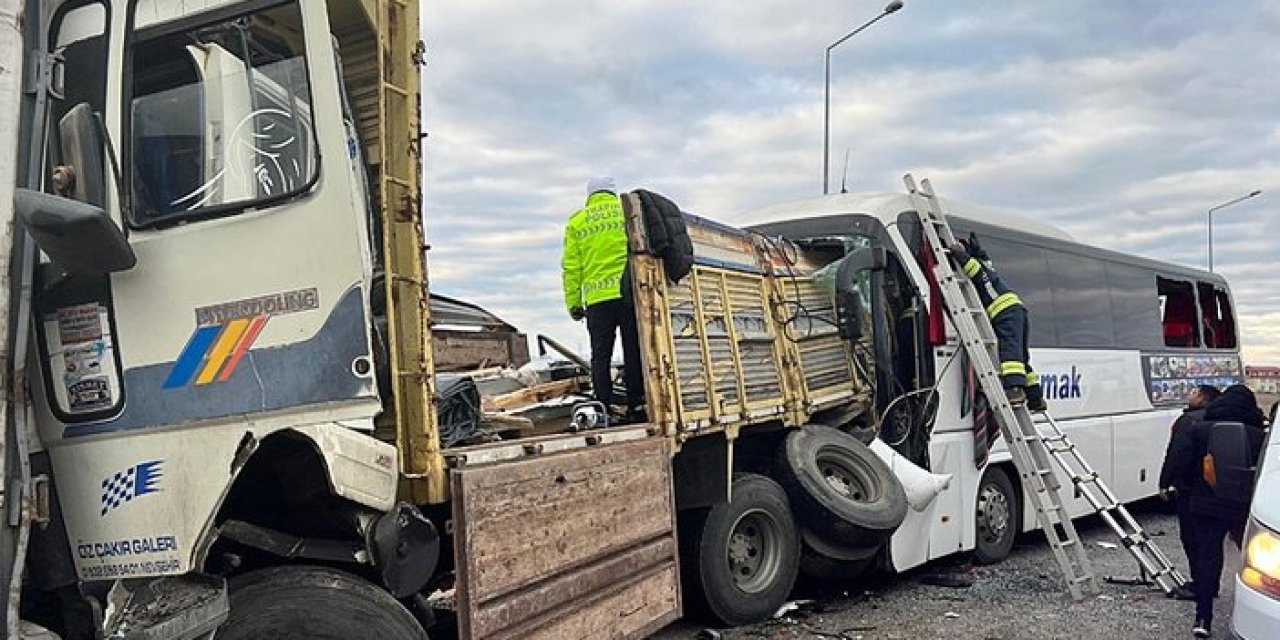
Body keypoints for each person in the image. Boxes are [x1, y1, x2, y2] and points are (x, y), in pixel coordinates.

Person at [1158, 384, 1266, 638]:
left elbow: (1182, 459)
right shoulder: (1259, 436)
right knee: (1254, 558)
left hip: (1205, 504)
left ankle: (1203, 618)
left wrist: (1179, 486)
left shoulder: (1200, 429)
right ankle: (1256, 612)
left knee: (1208, 558)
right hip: (1243, 505)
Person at [562, 176, 644, 421]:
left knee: (601, 355)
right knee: (633, 350)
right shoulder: (626, 213)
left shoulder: (577, 222)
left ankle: (602, 407)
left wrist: (574, 303)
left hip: (597, 300)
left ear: (590, 195)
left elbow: (571, 268)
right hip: (628, 294)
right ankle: (636, 405)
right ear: (612, 192)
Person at [948, 233, 1045, 411]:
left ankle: (1014, 391)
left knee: (1009, 353)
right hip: (1017, 308)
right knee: (1021, 356)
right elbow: (983, 259)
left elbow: (973, 269)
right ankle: (1035, 397)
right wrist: (977, 249)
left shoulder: (980, 269)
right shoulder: (988, 265)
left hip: (1004, 312)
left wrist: (958, 254)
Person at [1159, 384, 1221, 601]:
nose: (1189, 395)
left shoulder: (1188, 421)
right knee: (1212, 542)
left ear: (1203, 397)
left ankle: (1199, 585)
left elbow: (1177, 454)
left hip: (1190, 489)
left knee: (1193, 538)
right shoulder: (1221, 420)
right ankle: (1210, 584)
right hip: (1217, 490)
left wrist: (1164, 482)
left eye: (1193, 392)